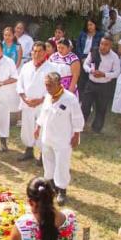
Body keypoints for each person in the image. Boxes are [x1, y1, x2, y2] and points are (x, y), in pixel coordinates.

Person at [35, 72, 84, 205]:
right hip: (48, 137)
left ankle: (62, 190)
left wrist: (76, 134)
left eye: (50, 85)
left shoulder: (70, 98)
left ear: (59, 84)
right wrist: (38, 127)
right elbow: (43, 114)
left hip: (63, 139)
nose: (48, 88)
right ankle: (51, 186)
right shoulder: (47, 97)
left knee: (62, 164)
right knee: (48, 161)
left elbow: (77, 118)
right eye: (46, 85)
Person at [17, 42, 55, 163]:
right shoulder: (26, 66)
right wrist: (24, 98)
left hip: (43, 104)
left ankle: (43, 156)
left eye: (40, 51)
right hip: (27, 103)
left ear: (45, 53)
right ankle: (28, 150)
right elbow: (19, 84)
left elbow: (54, 88)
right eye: (35, 51)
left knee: (42, 129)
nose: (37, 54)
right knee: (27, 127)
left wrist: (40, 100)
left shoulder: (51, 68)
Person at [80, 35, 120, 133]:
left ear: (110, 46)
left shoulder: (114, 57)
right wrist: (91, 71)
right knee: (85, 106)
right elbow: (85, 64)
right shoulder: (94, 51)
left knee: (101, 108)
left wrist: (104, 74)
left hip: (104, 86)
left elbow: (117, 72)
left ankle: (96, 129)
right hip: (91, 83)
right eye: (102, 44)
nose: (103, 46)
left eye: (106, 45)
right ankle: (80, 126)